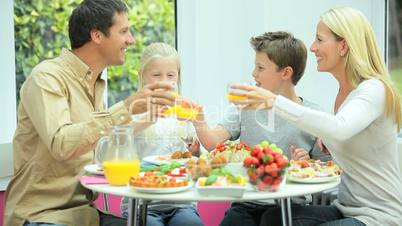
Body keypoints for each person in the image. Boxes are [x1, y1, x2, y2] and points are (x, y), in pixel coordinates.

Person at [3, 1, 176, 226]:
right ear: (97, 35)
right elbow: (62, 143)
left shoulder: (96, 84)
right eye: (123, 31)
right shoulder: (46, 78)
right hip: (42, 216)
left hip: (86, 214)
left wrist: (146, 121)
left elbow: (98, 141)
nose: (131, 40)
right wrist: (126, 107)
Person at [230, 7, 402, 226]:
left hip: (378, 216)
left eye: (320, 40)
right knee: (273, 219)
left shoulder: (374, 90)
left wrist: (273, 101)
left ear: (343, 46)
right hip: (344, 208)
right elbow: (340, 133)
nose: (312, 47)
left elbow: (340, 128)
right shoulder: (343, 96)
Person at [189, 31, 330, 226]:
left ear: (286, 73)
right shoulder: (245, 105)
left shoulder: (311, 115)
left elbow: (324, 169)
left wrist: (305, 163)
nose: (253, 74)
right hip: (247, 202)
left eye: (260, 67)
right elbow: (213, 143)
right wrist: (198, 119)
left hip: (289, 204)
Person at [120, 42, 203, 226]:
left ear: (178, 77)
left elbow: (193, 159)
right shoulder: (131, 110)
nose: (164, 82)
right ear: (142, 75)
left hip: (181, 201)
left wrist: (195, 152)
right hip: (142, 202)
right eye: (156, 75)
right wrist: (146, 120)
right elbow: (117, 142)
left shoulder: (183, 112)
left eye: (170, 75)